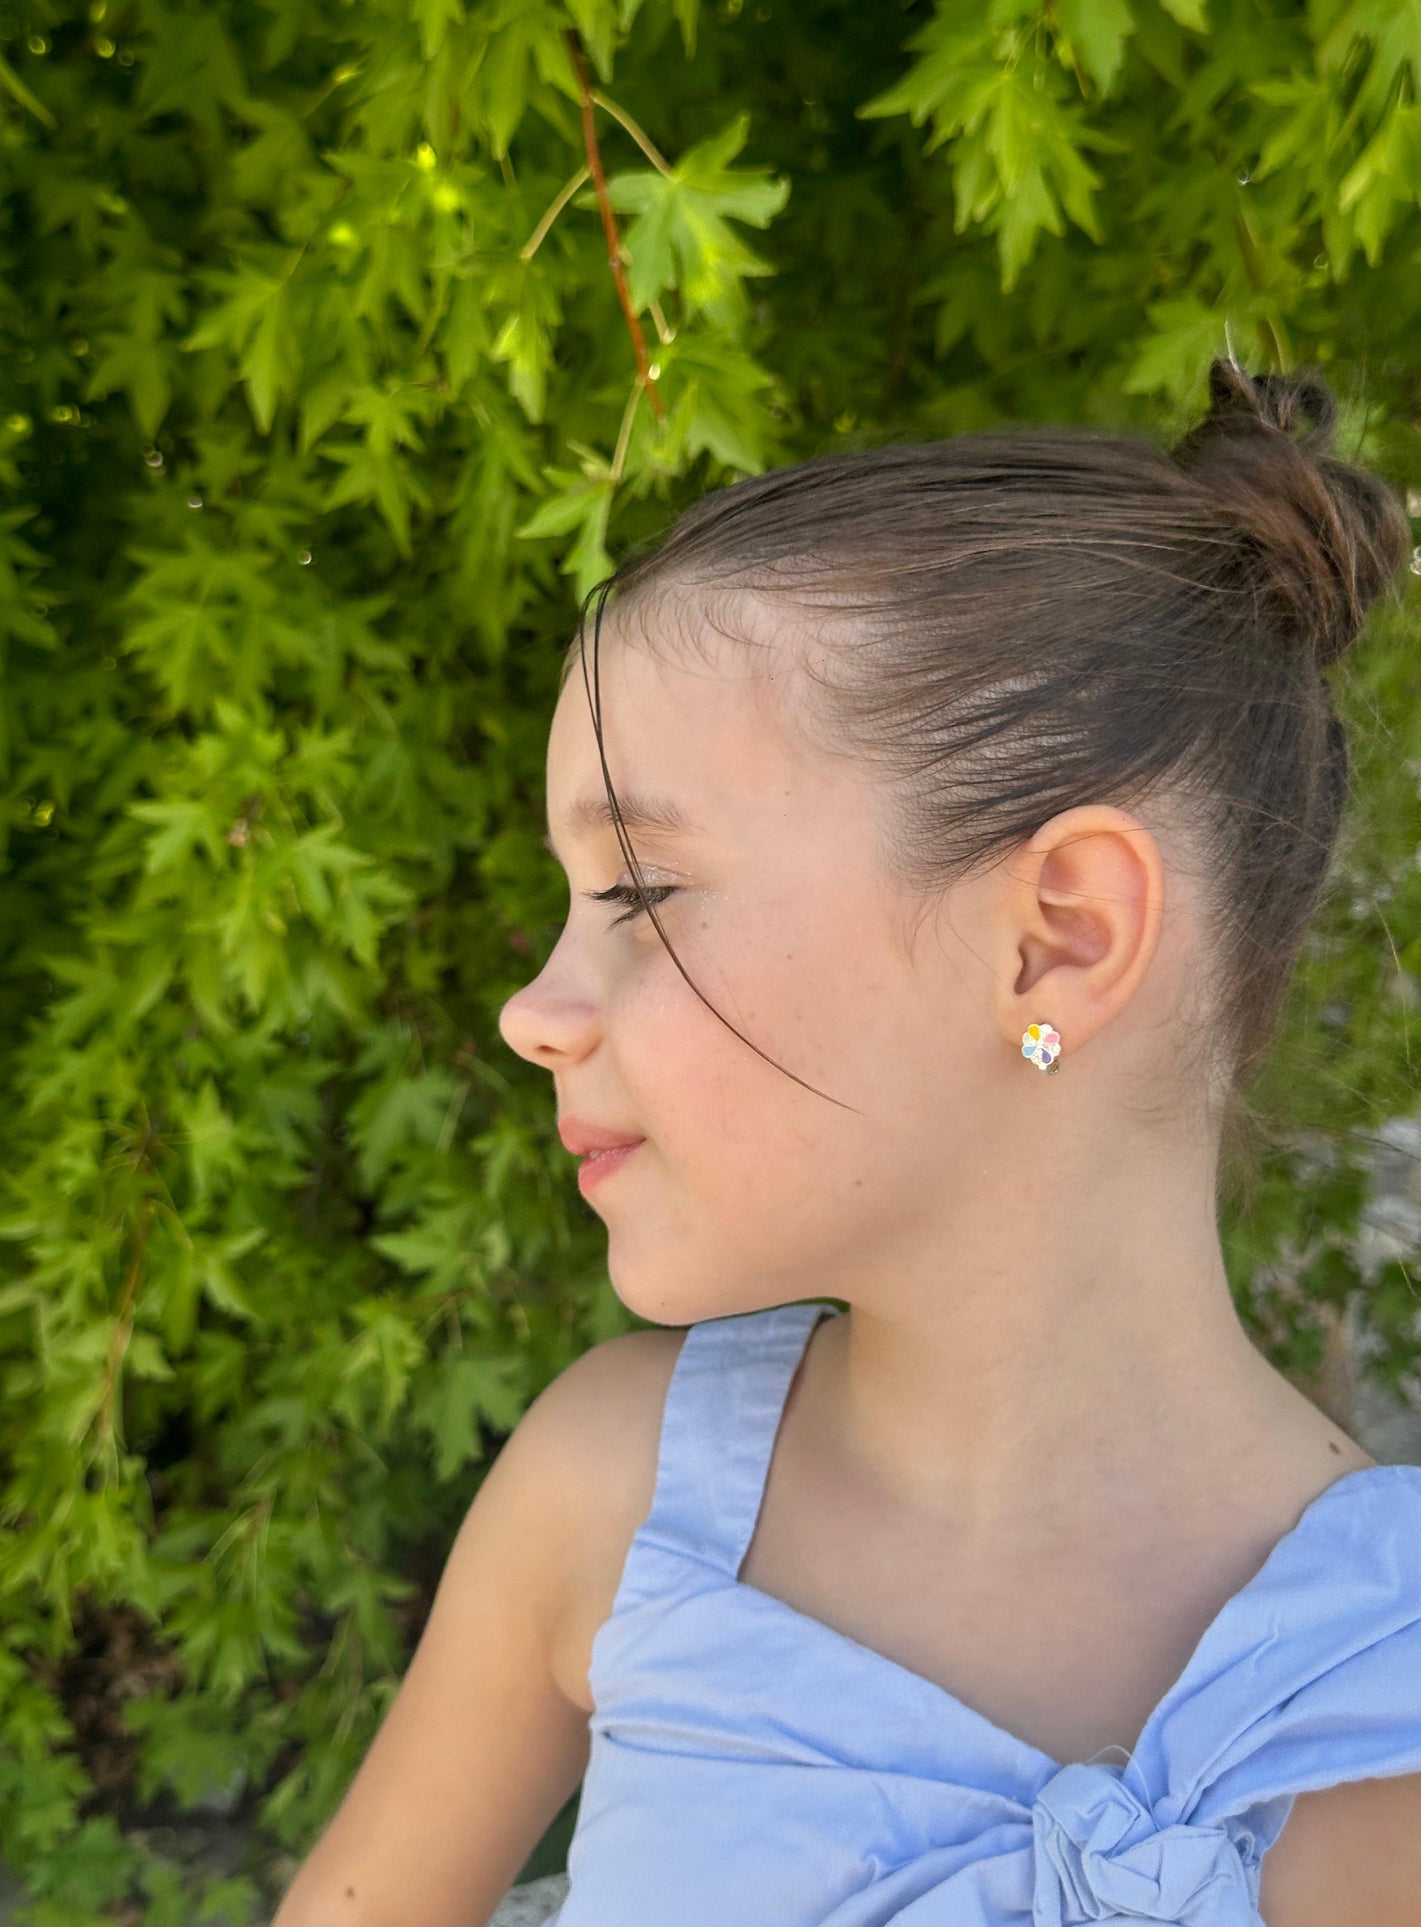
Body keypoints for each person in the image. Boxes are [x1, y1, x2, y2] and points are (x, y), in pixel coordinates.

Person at [269, 358, 1421, 1927]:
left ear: (1055, 943)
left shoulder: (1392, 1691)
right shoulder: (606, 1495)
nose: (532, 1012)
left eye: (641, 894)